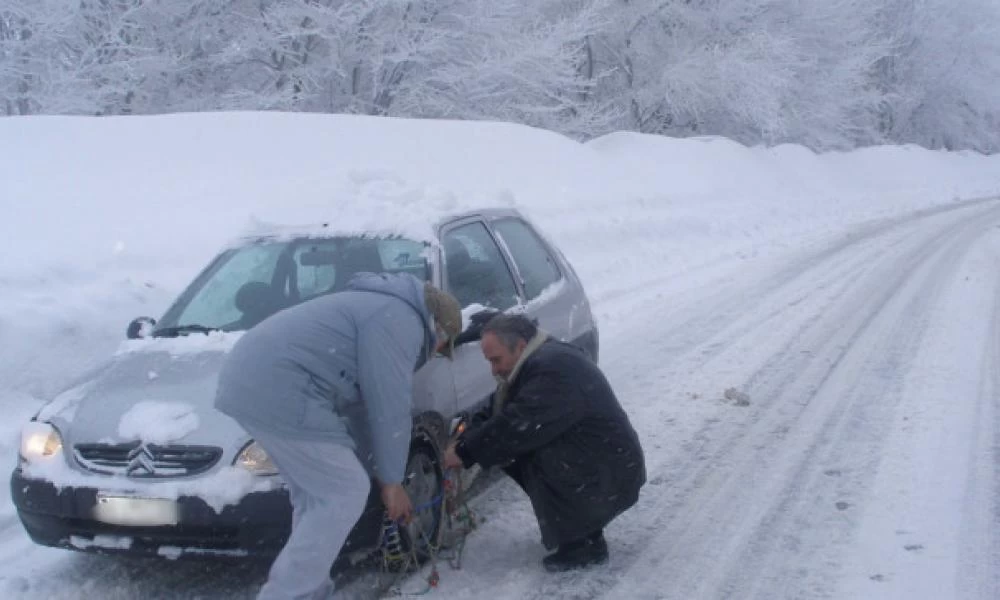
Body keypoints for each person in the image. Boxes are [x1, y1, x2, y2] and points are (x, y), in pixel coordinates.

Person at [215, 272, 462, 600]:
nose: (436, 352)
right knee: (345, 492)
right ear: (438, 327)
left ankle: (308, 590)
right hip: (282, 386)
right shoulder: (400, 320)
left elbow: (362, 409)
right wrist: (391, 482)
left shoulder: (379, 306)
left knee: (316, 497)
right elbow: (389, 406)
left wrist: (380, 470)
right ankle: (288, 594)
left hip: (251, 379)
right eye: (444, 345)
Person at [444, 314, 645, 572]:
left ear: (519, 346)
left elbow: (517, 424)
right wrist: (467, 435)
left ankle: (583, 544)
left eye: (496, 360)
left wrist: (465, 451)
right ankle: (583, 530)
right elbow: (499, 408)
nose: (493, 370)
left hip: (609, 471)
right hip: (601, 463)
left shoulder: (554, 369)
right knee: (513, 447)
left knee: (525, 448)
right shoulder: (537, 359)